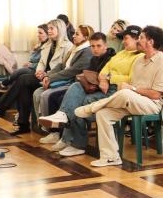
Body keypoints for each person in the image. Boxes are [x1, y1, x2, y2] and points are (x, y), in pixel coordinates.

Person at [73, 26, 163, 168]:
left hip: (152, 104)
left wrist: (131, 88)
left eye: (142, 38)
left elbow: (157, 94)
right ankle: (111, 157)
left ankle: (93, 106)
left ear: (150, 41)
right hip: (132, 100)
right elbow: (131, 84)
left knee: (125, 93)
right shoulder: (139, 61)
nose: (139, 40)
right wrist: (127, 86)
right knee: (103, 114)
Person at [41, 26, 142, 157]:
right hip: (104, 85)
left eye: (126, 38)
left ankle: (77, 144)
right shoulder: (121, 53)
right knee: (76, 87)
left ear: (137, 39)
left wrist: (109, 78)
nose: (123, 41)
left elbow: (132, 79)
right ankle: (63, 116)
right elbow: (105, 70)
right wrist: (104, 78)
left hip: (118, 92)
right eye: (123, 38)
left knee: (80, 103)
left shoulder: (139, 57)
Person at [0, 18, 72, 135]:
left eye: (51, 28)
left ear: (60, 29)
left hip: (55, 79)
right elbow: (42, 63)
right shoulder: (47, 45)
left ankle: (3, 106)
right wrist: (39, 71)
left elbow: (64, 68)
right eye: (48, 29)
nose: (49, 31)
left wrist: (46, 74)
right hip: (43, 76)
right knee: (23, 86)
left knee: (22, 79)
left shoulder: (68, 46)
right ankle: (23, 124)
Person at [33, 25, 95, 144]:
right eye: (74, 33)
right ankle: (47, 129)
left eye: (77, 34)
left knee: (48, 96)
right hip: (64, 79)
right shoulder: (75, 48)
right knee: (37, 92)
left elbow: (72, 71)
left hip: (72, 81)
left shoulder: (86, 51)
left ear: (86, 37)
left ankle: (56, 132)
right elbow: (62, 65)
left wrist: (50, 77)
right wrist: (47, 75)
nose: (73, 36)